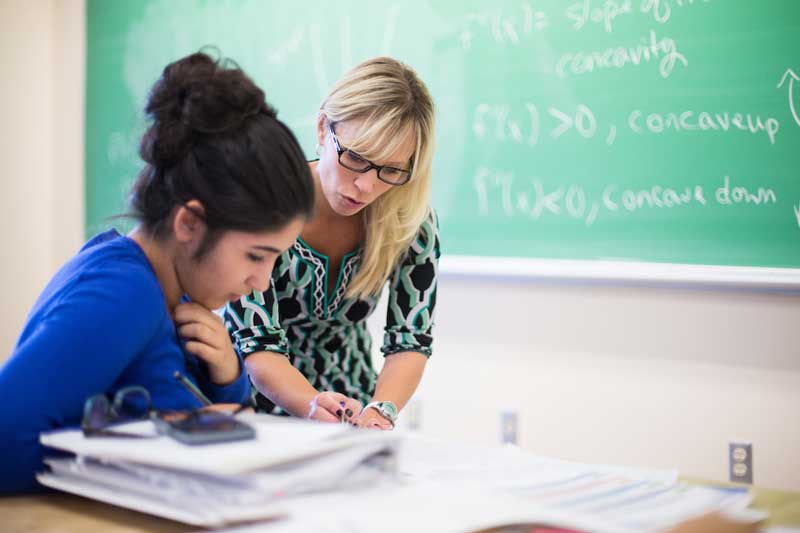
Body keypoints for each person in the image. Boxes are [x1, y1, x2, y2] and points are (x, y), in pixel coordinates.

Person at [0, 51, 315, 494]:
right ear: (188, 223)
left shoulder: (178, 292)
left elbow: (195, 412)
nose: (261, 282)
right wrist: (148, 444)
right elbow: (6, 437)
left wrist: (228, 376)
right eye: (255, 256)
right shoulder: (122, 294)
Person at [225, 57, 438, 430]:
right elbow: (256, 346)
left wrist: (381, 410)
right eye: (355, 158)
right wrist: (310, 404)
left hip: (351, 410)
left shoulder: (410, 219)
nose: (367, 186)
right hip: (249, 410)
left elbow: (410, 340)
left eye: (391, 170)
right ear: (324, 128)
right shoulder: (262, 201)